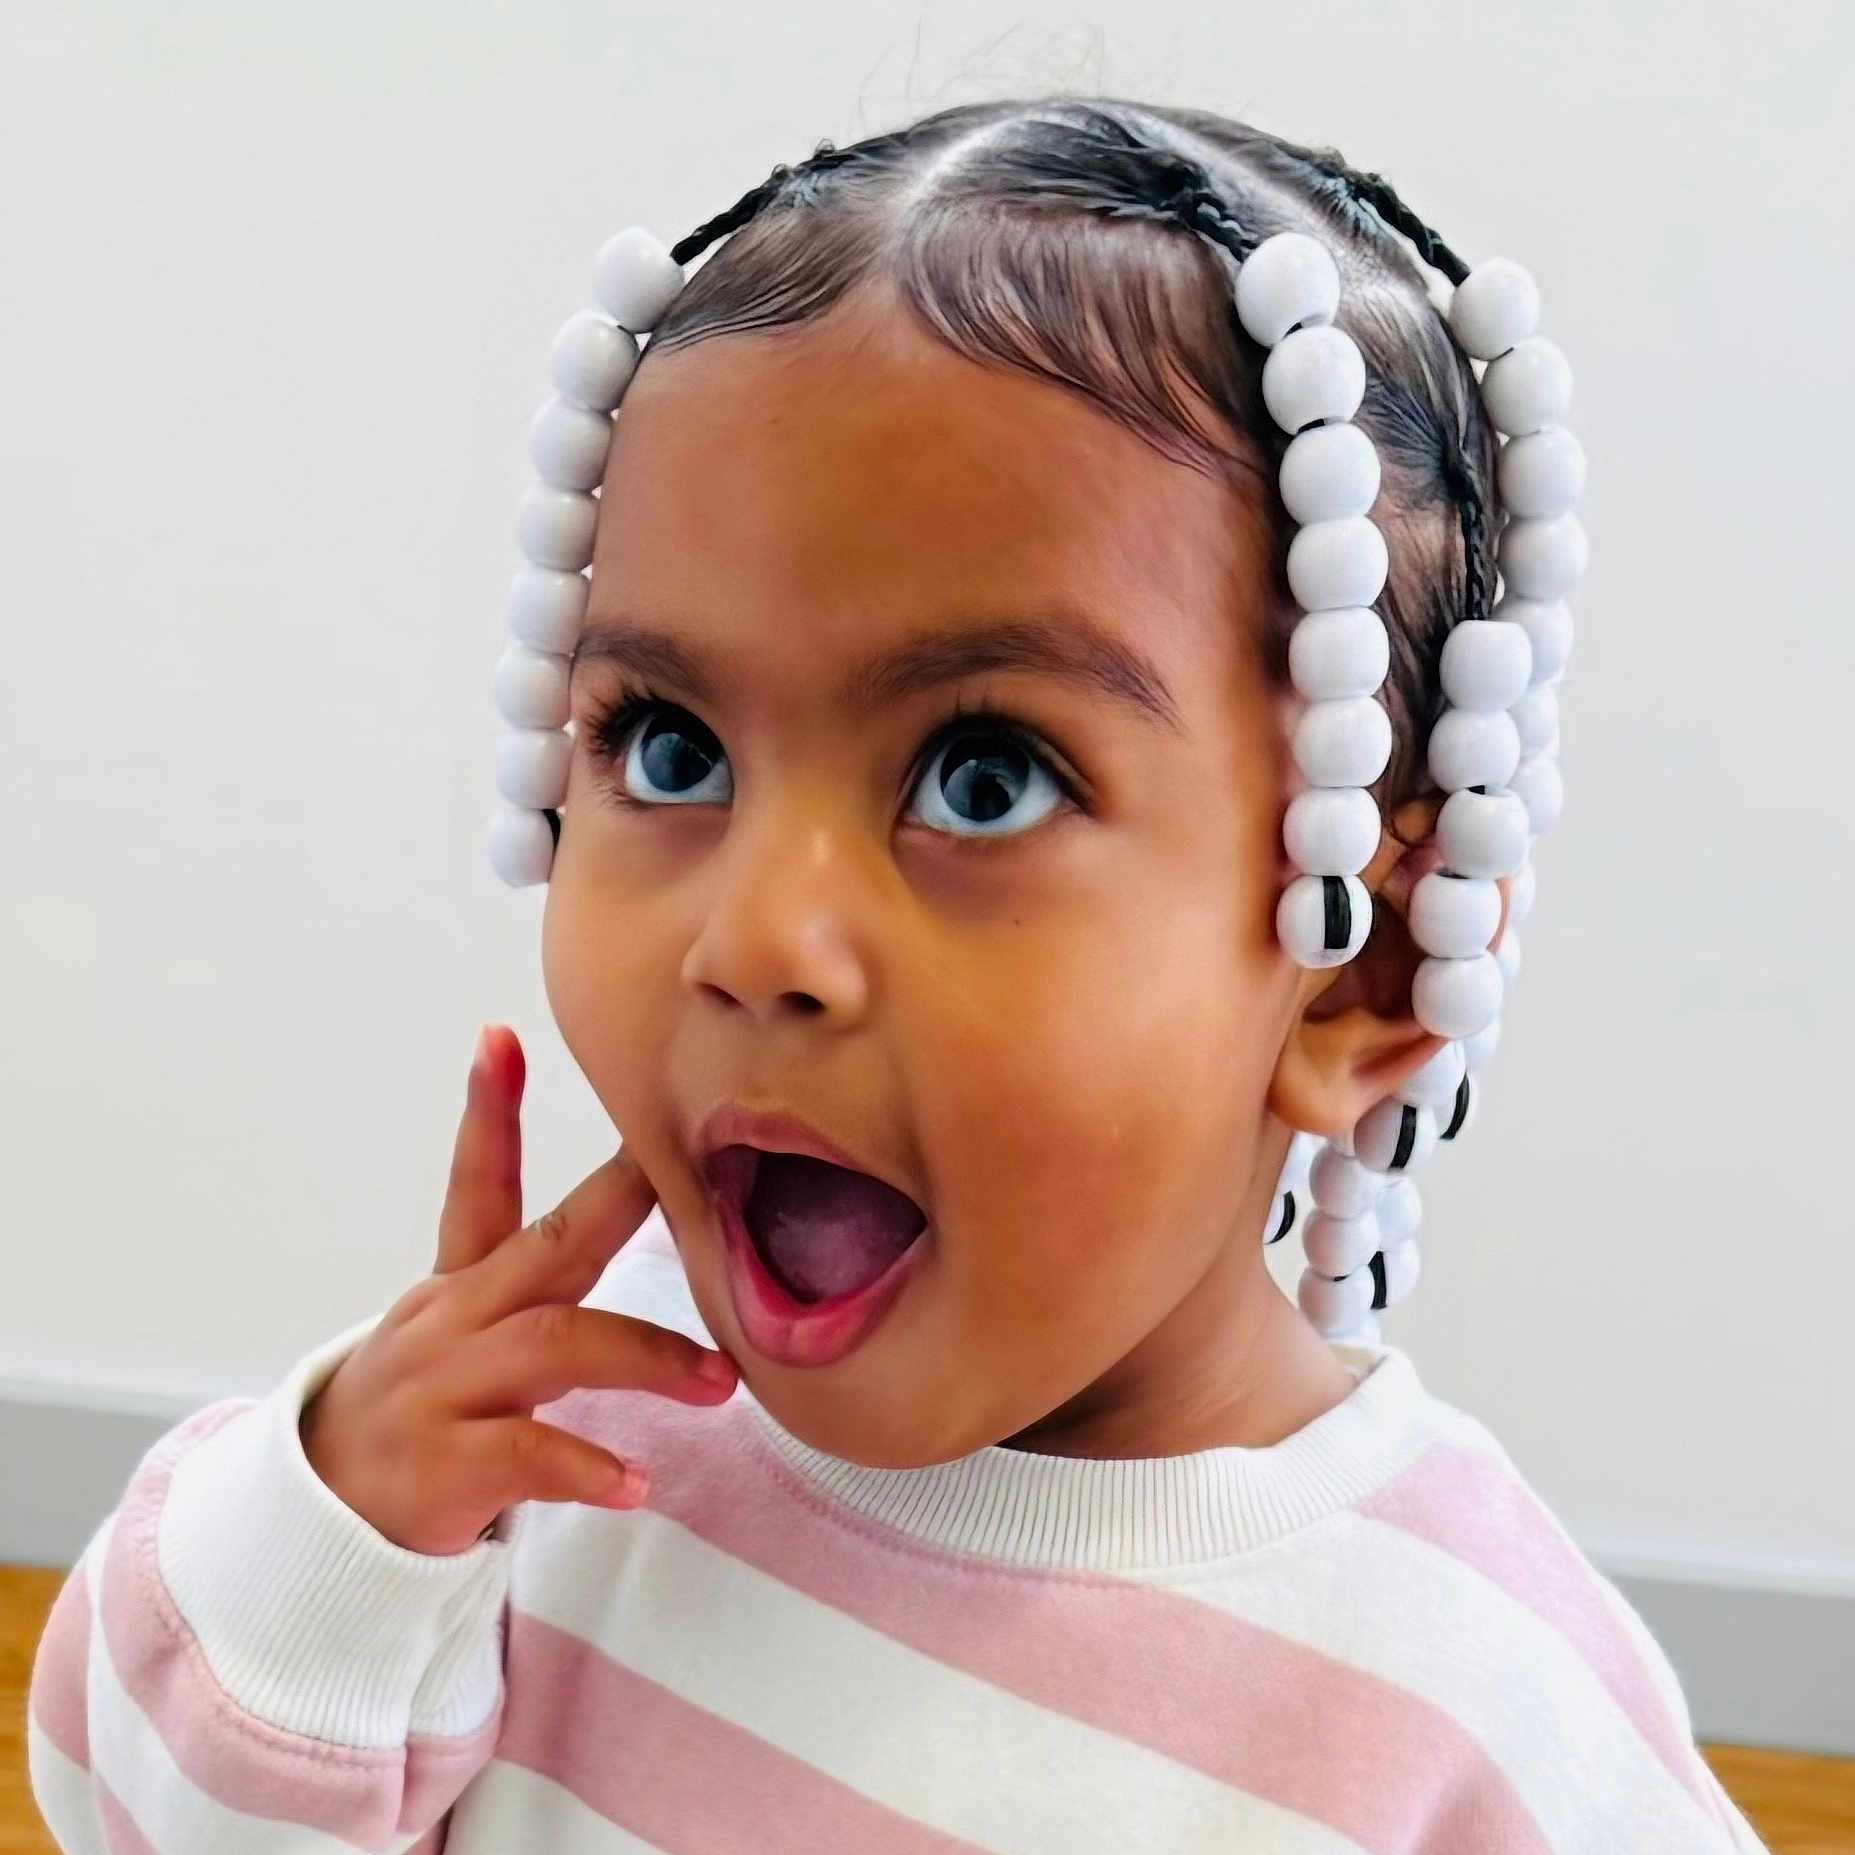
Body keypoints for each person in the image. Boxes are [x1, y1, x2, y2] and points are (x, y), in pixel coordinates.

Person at [27, 95, 1770, 1851]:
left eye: (983, 779)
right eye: (672, 747)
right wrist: (336, 1541)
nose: (759, 940)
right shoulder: (523, 1466)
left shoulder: (1473, 1719)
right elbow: (121, 1814)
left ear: (1359, 969)